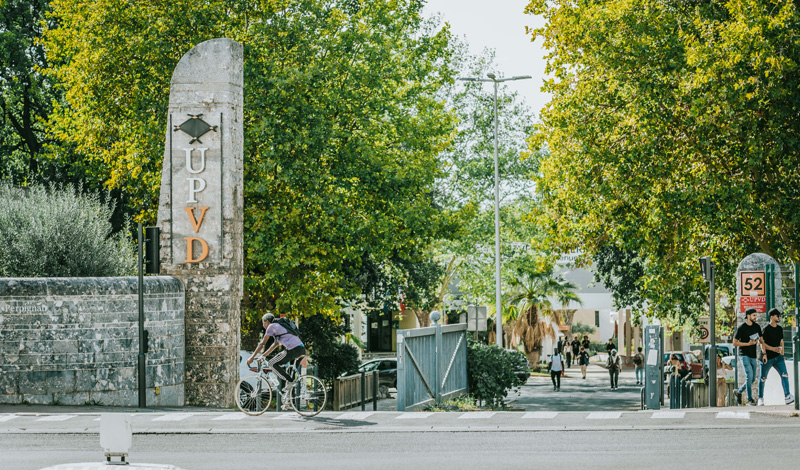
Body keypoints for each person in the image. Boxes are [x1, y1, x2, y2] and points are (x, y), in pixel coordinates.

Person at [247, 313, 306, 399]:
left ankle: (290, 382)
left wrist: (251, 358)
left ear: (266, 322)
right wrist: (263, 356)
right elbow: (274, 345)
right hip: (300, 349)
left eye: (262, 323)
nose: (263, 325)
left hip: (293, 349)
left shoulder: (271, 326)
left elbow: (262, 344)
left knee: (272, 363)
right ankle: (289, 400)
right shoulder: (278, 327)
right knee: (289, 374)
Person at [757, 308, 795, 406]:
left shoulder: (779, 329)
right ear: (771, 317)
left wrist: (782, 353)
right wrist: (767, 352)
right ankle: (760, 398)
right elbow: (761, 343)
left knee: (785, 375)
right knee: (763, 378)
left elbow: (781, 341)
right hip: (767, 357)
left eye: (779, 316)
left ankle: (787, 396)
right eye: (777, 315)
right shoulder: (766, 329)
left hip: (778, 358)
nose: (779, 317)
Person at [733, 308, 762, 406]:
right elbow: (735, 342)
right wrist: (748, 344)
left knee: (752, 379)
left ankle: (739, 391)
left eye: (756, 315)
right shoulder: (741, 328)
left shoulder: (757, 327)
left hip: (753, 355)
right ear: (748, 316)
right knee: (749, 376)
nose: (755, 317)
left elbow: (760, 339)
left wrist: (758, 343)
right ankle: (750, 400)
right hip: (744, 354)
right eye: (754, 315)